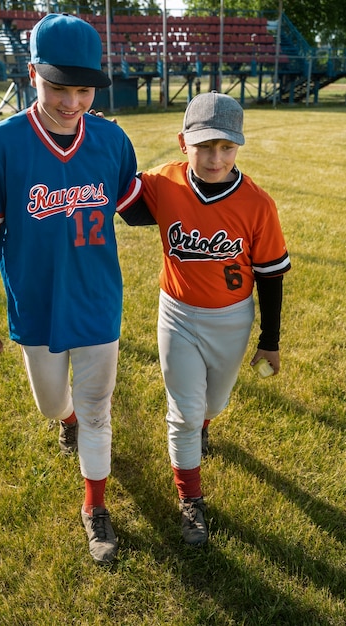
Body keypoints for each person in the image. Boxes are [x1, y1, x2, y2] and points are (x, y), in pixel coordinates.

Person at [0, 13, 142, 565]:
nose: (71, 102)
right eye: (58, 86)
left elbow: (137, 208)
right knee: (51, 405)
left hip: (96, 302)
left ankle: (95, 508)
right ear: (33, 72)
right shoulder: (0, 144)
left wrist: (198, 180)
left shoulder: (112, 139)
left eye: (83, 89)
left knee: (97, 411)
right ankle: (63, 421)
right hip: (36, 304)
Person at [119, 92, 291, 545]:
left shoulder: (257, 203)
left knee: (212, 406)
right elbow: (121, 201)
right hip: (176, 313)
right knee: (184, 412)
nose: (216, 158)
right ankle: (190, 499)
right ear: (183, 142)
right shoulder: (164, 183)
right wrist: (102, 138)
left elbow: (271, 279)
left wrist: (269, 339)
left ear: (239, 147)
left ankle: (204, 428)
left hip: (232, 318)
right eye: (204, 146)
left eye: (227, 147)